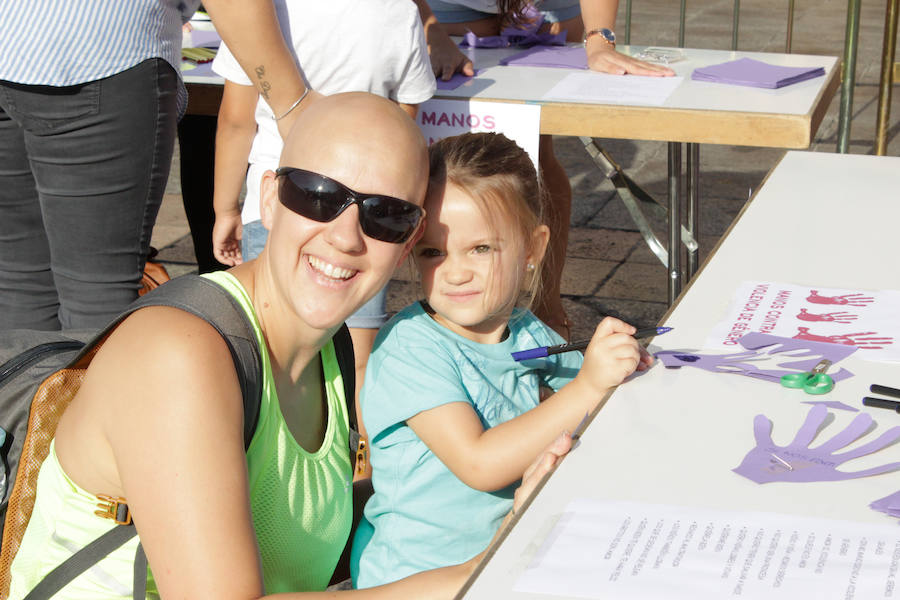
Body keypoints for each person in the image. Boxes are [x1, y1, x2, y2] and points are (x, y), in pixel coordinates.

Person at [7, 93, 569, 600]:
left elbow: (292, 515)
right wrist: (479, 569)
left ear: (408, 243)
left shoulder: (331, 350)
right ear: (271, 199)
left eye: (386, 214)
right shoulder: (180, 356)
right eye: (319, 195)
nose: (347, 236)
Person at [350, 132, 653, 588]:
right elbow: (478, 463)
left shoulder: (524, 327)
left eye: (481, 248)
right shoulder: (409, 348)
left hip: (505, 564)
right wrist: (590, 385)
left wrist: (619, 366)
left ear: (532, 249)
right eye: (433, 252)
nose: (455, 271)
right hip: (417, 583)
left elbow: (599, 402)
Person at [0, 0, 311, 331]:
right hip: (96, 53)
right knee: (94, 293)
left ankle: (33, 383)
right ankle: (87, 384)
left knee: (21, 282)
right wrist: (292, 104)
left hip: (17, 39)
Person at [210, 0, 436, 437]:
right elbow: (403, 128)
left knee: (258, 343)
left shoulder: (265, 11)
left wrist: (226, 208)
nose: (343, 237)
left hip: (283, 206)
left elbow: (236, 122)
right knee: (358, 356)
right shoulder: (399, 12)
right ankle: (362, 455)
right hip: (373, 222)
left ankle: (257, 440)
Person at [408, 0, 674, 339]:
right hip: (446, 8)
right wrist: (432, 35)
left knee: (535, 156)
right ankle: (441, 328)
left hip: (547, 10)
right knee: (451, 165)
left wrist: (599, 40)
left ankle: (547, 311)